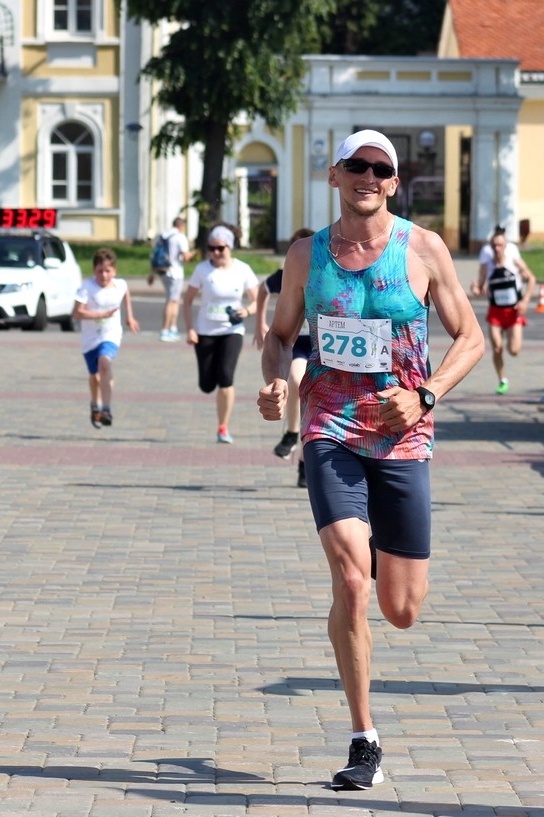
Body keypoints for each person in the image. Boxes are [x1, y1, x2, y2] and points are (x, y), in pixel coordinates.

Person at [256, 129, 484, 791]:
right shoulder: (307, 256)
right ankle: (364, 738)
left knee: (402, 607)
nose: (367, 176)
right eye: (356, 165)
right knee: (351, 581)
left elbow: (470, 337)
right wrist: (274, 380)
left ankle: (380, 544)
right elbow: (278, 337)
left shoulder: (423, 249)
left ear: (393, 181)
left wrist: (427, 394)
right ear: (335, 175)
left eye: (379, 168)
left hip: (404, 438)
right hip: (330, 428)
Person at [184, 224, 260, 444]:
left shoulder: (243, 270)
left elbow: (257, 301)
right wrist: (190, 328)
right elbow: (187, 300)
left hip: (232, 331)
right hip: (205, 331)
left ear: (230, 247)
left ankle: (223, 427)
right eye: (211, 248)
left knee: (226, 377)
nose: (215, 253)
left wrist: (246, 311)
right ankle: (212, 390)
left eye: (220, 248)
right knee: (207, 385)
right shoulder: (202, 270)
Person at [254, 227, 316, 486]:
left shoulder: (324, 275)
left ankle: (304, 463)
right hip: (297, 344)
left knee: (315, 407)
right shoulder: (286, 274)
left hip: (322, 345)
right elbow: (262, 290)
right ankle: (291, 433)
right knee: (295, 380)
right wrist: (259, 324)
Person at [72, 248, 139, 429]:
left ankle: (106, 409)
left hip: (111, 334)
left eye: (108, 271)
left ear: (114, 271)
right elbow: (76, 314)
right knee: (95, 377)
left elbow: (126, 293)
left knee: (104, 363)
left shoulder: (120, 285)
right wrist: (101, 314)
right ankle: (95, 404)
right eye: (100, 271)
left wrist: (129, 316)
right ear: (94, 271)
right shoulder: (87, 287)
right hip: (90, 338)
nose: (104, 275)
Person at [473, 231, 536, 394]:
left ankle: (511, 336)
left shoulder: (514, 263)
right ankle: (502, 380)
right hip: (495, 312)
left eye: (500, 245)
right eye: (494, 245)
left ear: (506, 246)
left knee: (514, 350)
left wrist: (525, 300)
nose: (497, 248)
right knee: (497, 348)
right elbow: (480, 287)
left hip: (514, 311)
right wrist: (476, 288)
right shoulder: (487, 265)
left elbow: (531, 278)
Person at [155, 216, 194, 342]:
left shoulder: (163, 235)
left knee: (174, 300)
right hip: (175, 272)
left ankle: (173, 327)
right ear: (182, 225)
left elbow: (155, 253)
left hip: (163, 271)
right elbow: (185, 256)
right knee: (172, 301)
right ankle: (165, 329)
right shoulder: (180, 237)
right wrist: (193, 255)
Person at [471, 225, 524, 297]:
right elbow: (483, 269)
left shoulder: (512, 247)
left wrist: (519, 276)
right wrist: (480, 285)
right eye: (495, 246)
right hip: (495, 290)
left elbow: (522, 268)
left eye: (502, 232)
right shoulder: (486, 249)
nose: (497, 249)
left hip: (512, 294)